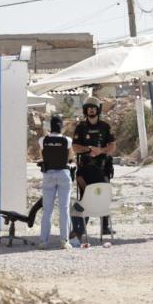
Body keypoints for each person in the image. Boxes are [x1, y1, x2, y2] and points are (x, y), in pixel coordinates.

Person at [72, 96, 116, 235]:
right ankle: (81, 228)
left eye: (93, 108)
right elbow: (75, 147)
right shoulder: (80, 127)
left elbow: (112, 146)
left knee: (103, 197)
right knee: (85, 197)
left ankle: (105, 227)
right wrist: (89, 149)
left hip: (102, 169)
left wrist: (100, 150)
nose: (91, 110)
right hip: (85, 170)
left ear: (98, 110)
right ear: (85, 110)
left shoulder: (105, 127)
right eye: (88, 108)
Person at [37, 115, 74, 250]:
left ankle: (43, 241)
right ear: (61, 126)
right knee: (64, 208)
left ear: (50, 126)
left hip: (49, 174)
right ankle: (64, 240)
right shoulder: (67, 140)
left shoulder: (43, 140)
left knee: (47, 209)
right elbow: (70, 157)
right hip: (63, 173)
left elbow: (42, 156)